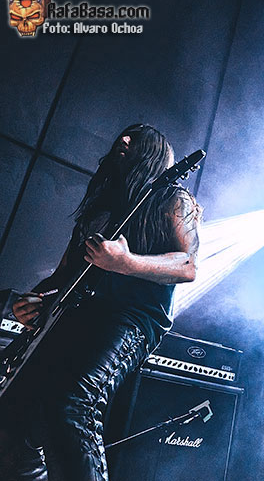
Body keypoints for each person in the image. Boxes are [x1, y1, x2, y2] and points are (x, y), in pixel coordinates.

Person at [0, 124, 201, 481]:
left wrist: (127, 262)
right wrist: (32, 300)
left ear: (154, 152)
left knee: (71, 406)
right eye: (123, 134)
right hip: (75, 314)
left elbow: (188, 265)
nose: (123, 139)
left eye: (135, 137)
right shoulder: (101, 207)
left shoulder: (173, 198)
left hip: (130, 320)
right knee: (13, 415)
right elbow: (62, 275)